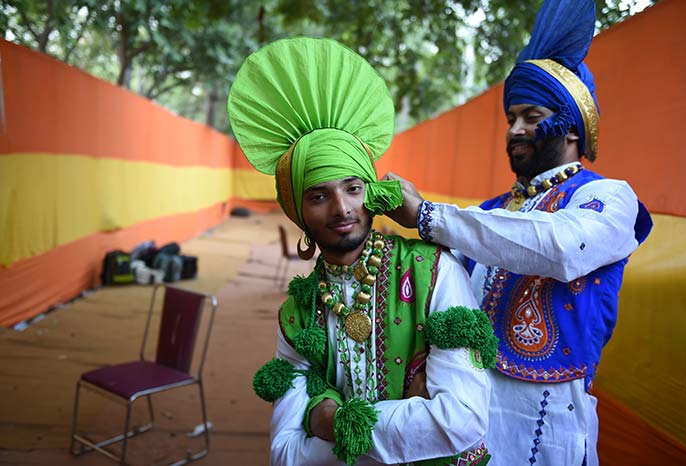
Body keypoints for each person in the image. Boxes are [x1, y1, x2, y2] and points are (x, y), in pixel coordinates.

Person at [382, 1, 653, 465]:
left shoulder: (611, 199)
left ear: (571, 126)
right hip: (467, 413)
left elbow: (560, 246)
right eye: (510, 119)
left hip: (547, 425)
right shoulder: (489, 214)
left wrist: (428, 215)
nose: (514, 129)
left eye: (530, 115)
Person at [227, 37, 497, 466]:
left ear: (370, 192)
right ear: (299, 212)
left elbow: (459, 422)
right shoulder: (299, 313)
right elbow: (284, 453)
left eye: (353, 188)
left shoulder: (432, 272)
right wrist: (409, 416)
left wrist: (325, 419)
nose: (341, 208)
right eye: (319, 196)